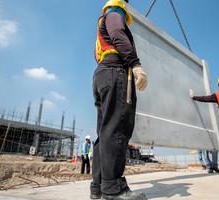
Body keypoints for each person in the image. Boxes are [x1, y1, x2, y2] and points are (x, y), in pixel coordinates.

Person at [91, 0, 148, 199]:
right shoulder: (115, 13)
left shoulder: (101, 23)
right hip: (116, 72)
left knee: (104, 132)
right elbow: (118, 34)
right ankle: (113, 189)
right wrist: (136, 64)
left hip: (102, 74)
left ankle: (98, 188)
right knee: (117, 128)